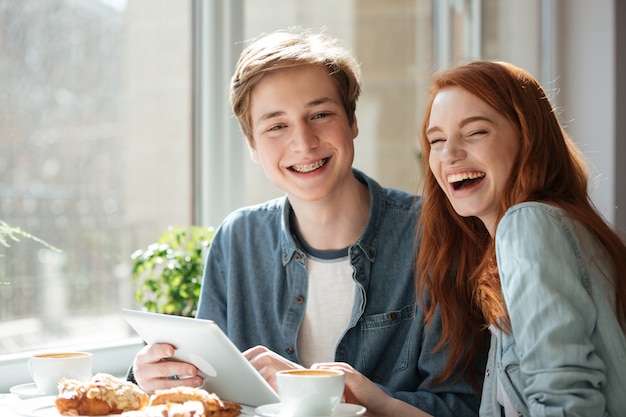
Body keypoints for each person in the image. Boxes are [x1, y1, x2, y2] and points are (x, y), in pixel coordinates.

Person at [128, 28, 486, 416]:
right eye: (276, 126)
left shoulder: (435, 234)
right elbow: (210, 391)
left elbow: (463, 405)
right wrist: (159, 378)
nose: (303, 142)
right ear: (252, 145)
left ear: (352, 121)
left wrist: (311, 387)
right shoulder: (238, 239)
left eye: (320, 114)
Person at [413, 61, 626, 416]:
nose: (449, 154)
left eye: (476, 132)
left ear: (527, 138)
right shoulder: (552, 226)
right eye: (437, 140)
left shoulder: (527, 224)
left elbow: (564, 402)